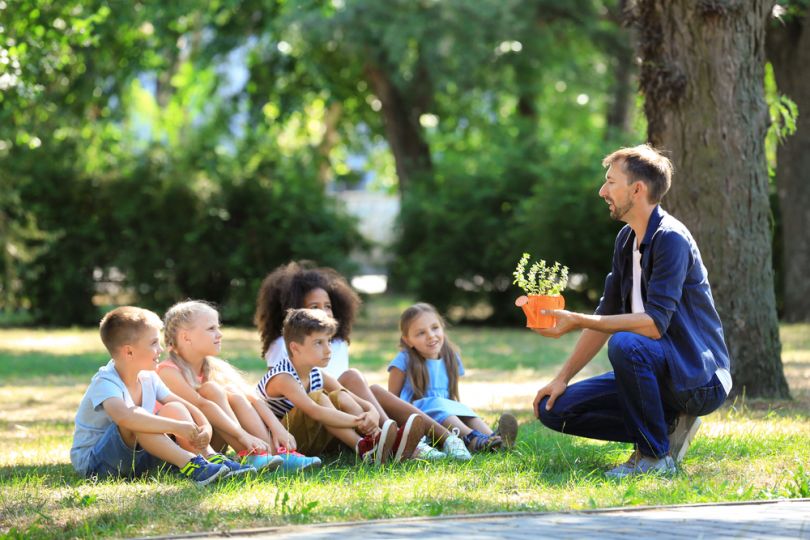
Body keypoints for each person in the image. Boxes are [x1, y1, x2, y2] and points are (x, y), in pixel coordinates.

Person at [532, 144, 731, 478]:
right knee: (553, 408)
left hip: (698, 377)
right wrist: (561, 379)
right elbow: (603, 316)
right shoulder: (626, 241)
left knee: (625, 343)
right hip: (658, 370)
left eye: (611, 182)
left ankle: (655, 458)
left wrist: (576, 319)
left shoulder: (671, 239)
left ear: (637, 189)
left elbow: (654, 325)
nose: (602, 191)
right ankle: (662, 427)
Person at [255, 261, 472, 461]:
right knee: (333, 390)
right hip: (298, 433)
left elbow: (342, 392)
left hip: (332, 419)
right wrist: (359, 419)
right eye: (314, 307)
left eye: (328, 305)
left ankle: (438, 439)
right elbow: (313, 408)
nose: (323, 312)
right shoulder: (284, 361)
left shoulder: (325, 359)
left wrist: (370, 412)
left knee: (366, 389)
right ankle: (382, 443)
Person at [70, 306, 246, 486]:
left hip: (137, 461)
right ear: (129, 352)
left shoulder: (148, 376)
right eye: (154, 343)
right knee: (137, 417)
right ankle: (191, 464)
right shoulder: (105, 382)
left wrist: (204, 426)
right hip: (97, 465)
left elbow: (180, 404)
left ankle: (210, 458)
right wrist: (176, 427)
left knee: (173, 408)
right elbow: (125, 417)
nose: (161, 349)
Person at [158, 300, 321, 472]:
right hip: (186, 448)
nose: (219, 334)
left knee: (234, 392)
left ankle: (273, 454)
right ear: (186, 337)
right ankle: (250, 454)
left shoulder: (213, 366)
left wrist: (278, 428)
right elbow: (201, 405)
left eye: (218, 327)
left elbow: (254, 400)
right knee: (210, 390)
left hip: (211, 439)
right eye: (211, 329)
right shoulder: (168, 371)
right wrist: (243, 436)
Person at [256, 308, 424, 465]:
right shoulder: (283, 377)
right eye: (318, 343)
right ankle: (363, 447)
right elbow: (315, 411)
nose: (328, 350)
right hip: (284, 443)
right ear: (295, 347)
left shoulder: (317, 374)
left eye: (328, 341)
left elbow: (349, 396)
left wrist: (371, 411)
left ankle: (381, 441)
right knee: (320, 397)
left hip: (309, 438)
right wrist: (358, 421)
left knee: (339, 394)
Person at [389, 303, 519, 453]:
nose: (431, 335)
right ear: (407, 340)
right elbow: (392, 400)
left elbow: (451, 397)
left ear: (442, 327)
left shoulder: (451, 357)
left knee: (461, 409)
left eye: (435, 328)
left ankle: (496, 439)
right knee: (437, 404)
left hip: (446, 418)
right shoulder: (403, 360)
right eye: (421, 333)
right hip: (417, 418)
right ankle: (472, 439)